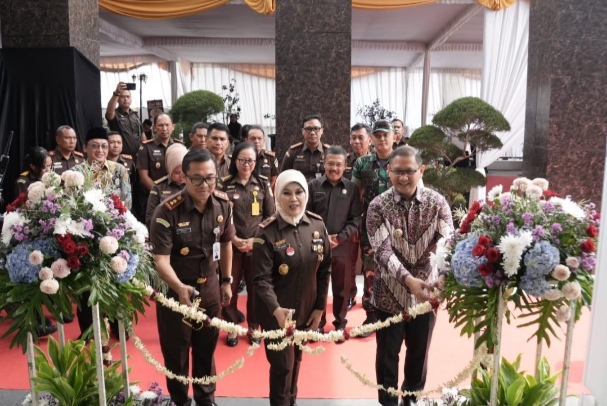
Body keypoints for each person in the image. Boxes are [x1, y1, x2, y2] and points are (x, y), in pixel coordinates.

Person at [366, 145, 453, 406]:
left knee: (419, 355)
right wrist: (407, 280)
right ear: (388, 171)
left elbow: (448, 243)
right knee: (386, 357)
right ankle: (388, 402)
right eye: (397, 171)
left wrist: (443, 275)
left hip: (426, 293)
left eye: (409, 171)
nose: (403, 177)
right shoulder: (378, 206)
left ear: (421, 170)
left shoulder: (438, 203)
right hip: (388, 295)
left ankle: (412, 399)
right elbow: (382, 251)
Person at [150, 148, 235, 406]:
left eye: (210, 177)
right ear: (184, 178)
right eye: (196, 178)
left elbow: (226, 243)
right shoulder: (167, 211)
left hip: (209, 290)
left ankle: (206, 399)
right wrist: (179, 287)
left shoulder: (223, 204)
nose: (204, 184)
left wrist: (226, 281)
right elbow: (160, 261)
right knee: (176, 353)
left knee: (206, 349)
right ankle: (179, 401)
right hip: (176, 295)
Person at [253, 169, 331, 406]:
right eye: (286, 193)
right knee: (282, 367)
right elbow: (261, 280)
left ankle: (291, 401)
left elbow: (324, 269)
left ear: (306, 194)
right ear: (277, 195)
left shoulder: (317, 225)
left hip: (306, 310)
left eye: (299, 192)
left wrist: (319, 308)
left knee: (296, 361)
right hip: (276, 314)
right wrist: (276, 310)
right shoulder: (266, 232)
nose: (294, 198)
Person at [74, 127, 132, 338]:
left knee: (117, 279)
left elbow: (127, 201)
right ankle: (89, 331)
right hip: (86, 235)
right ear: (85, 148)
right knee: (86, 284)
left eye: (104, 146)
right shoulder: (76, 173)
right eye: (95, 146)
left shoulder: (119, 170)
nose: (100, 150)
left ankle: (119, 325)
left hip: (115, 233)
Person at [218, 142, 276, 347]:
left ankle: (254, 327)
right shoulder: (223, 184)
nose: (247, 164)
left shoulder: (263, 184)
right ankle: (231, 326)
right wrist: (232, 238)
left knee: (256, 289)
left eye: (251, 160)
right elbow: (218, 215)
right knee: (229, 288)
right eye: (242, 160)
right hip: (230, 246)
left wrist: (254, 240)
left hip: (256, 246)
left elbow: (271, 216)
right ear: (235, 160)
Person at [306, 146, 361, 338]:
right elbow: (307, 216)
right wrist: (323, 238)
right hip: (317, 245)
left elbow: (355, 218)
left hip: (342, 246)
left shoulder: (352, 189)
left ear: (345, 166)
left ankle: (340, 324)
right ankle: (317, 323)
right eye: (330, 163)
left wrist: (340, 237)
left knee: (342, 288)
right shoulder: (313, 186)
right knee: (316, 287)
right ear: (324, 163)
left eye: (339, 164)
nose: (334, 168)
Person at [351, 119, 395, 337]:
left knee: (396, 269)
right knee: (370, 271)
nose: (382, 138)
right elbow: (354, 195)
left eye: (386, 134)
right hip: (370, 227)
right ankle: (371, 316)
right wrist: (353, 223)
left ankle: (395, 314)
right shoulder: (362, 163)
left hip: (397, 229)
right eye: (377, 135)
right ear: (372, 139)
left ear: (394, 136)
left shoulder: (402, 159)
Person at [345, 123, 372, 310]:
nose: (356, 141)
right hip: (349, 218)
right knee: (349, 258)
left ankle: (370, 296)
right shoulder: (343, 160)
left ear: (369, 139)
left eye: (360, 137)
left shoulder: (377, 162)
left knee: (370, 260)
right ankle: (349, 295)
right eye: (353, 137)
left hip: (370, 218)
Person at [137, 113, 181, 221]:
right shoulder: (146, 147)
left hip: (178, 197)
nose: (164, 128)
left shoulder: (180, 146)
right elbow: (143, 177)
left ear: (173, 127)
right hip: (154, 198)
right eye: (160, 125)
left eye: (167, 125)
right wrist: (159, 194)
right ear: (154, 128)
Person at [145, 143, 188, 229]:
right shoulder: (158, 187)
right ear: (169, 168)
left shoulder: (193, 185)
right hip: (165, 230)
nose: (181, 176)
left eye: (184, 172)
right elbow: (150, 218)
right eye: (177, 172)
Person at [280, 114, 331, 181]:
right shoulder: (293, 152)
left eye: (316, 129)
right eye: (308, 129)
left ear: (321, 131)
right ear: (302, 131)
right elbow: (283, 176)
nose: (312, 133)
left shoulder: (330, 153)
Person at [106, 82, 143, 156]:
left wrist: (145, 151)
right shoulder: (115, 114)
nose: (126, 99)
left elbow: (141, 133)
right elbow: (109, 112)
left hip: (138, 156)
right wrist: (116, 93)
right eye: (122, 97)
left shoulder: (134, 115)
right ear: (118, 99)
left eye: (128, 97)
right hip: (122, 156)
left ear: (131, 99)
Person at [244, 124, 279, 189]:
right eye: (253, 138)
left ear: (264, 141)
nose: (256, 141)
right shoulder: (241, 158)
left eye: (259, 138)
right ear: (246, 140)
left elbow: (273, 178)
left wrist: (266, 192)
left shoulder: (270, 157)